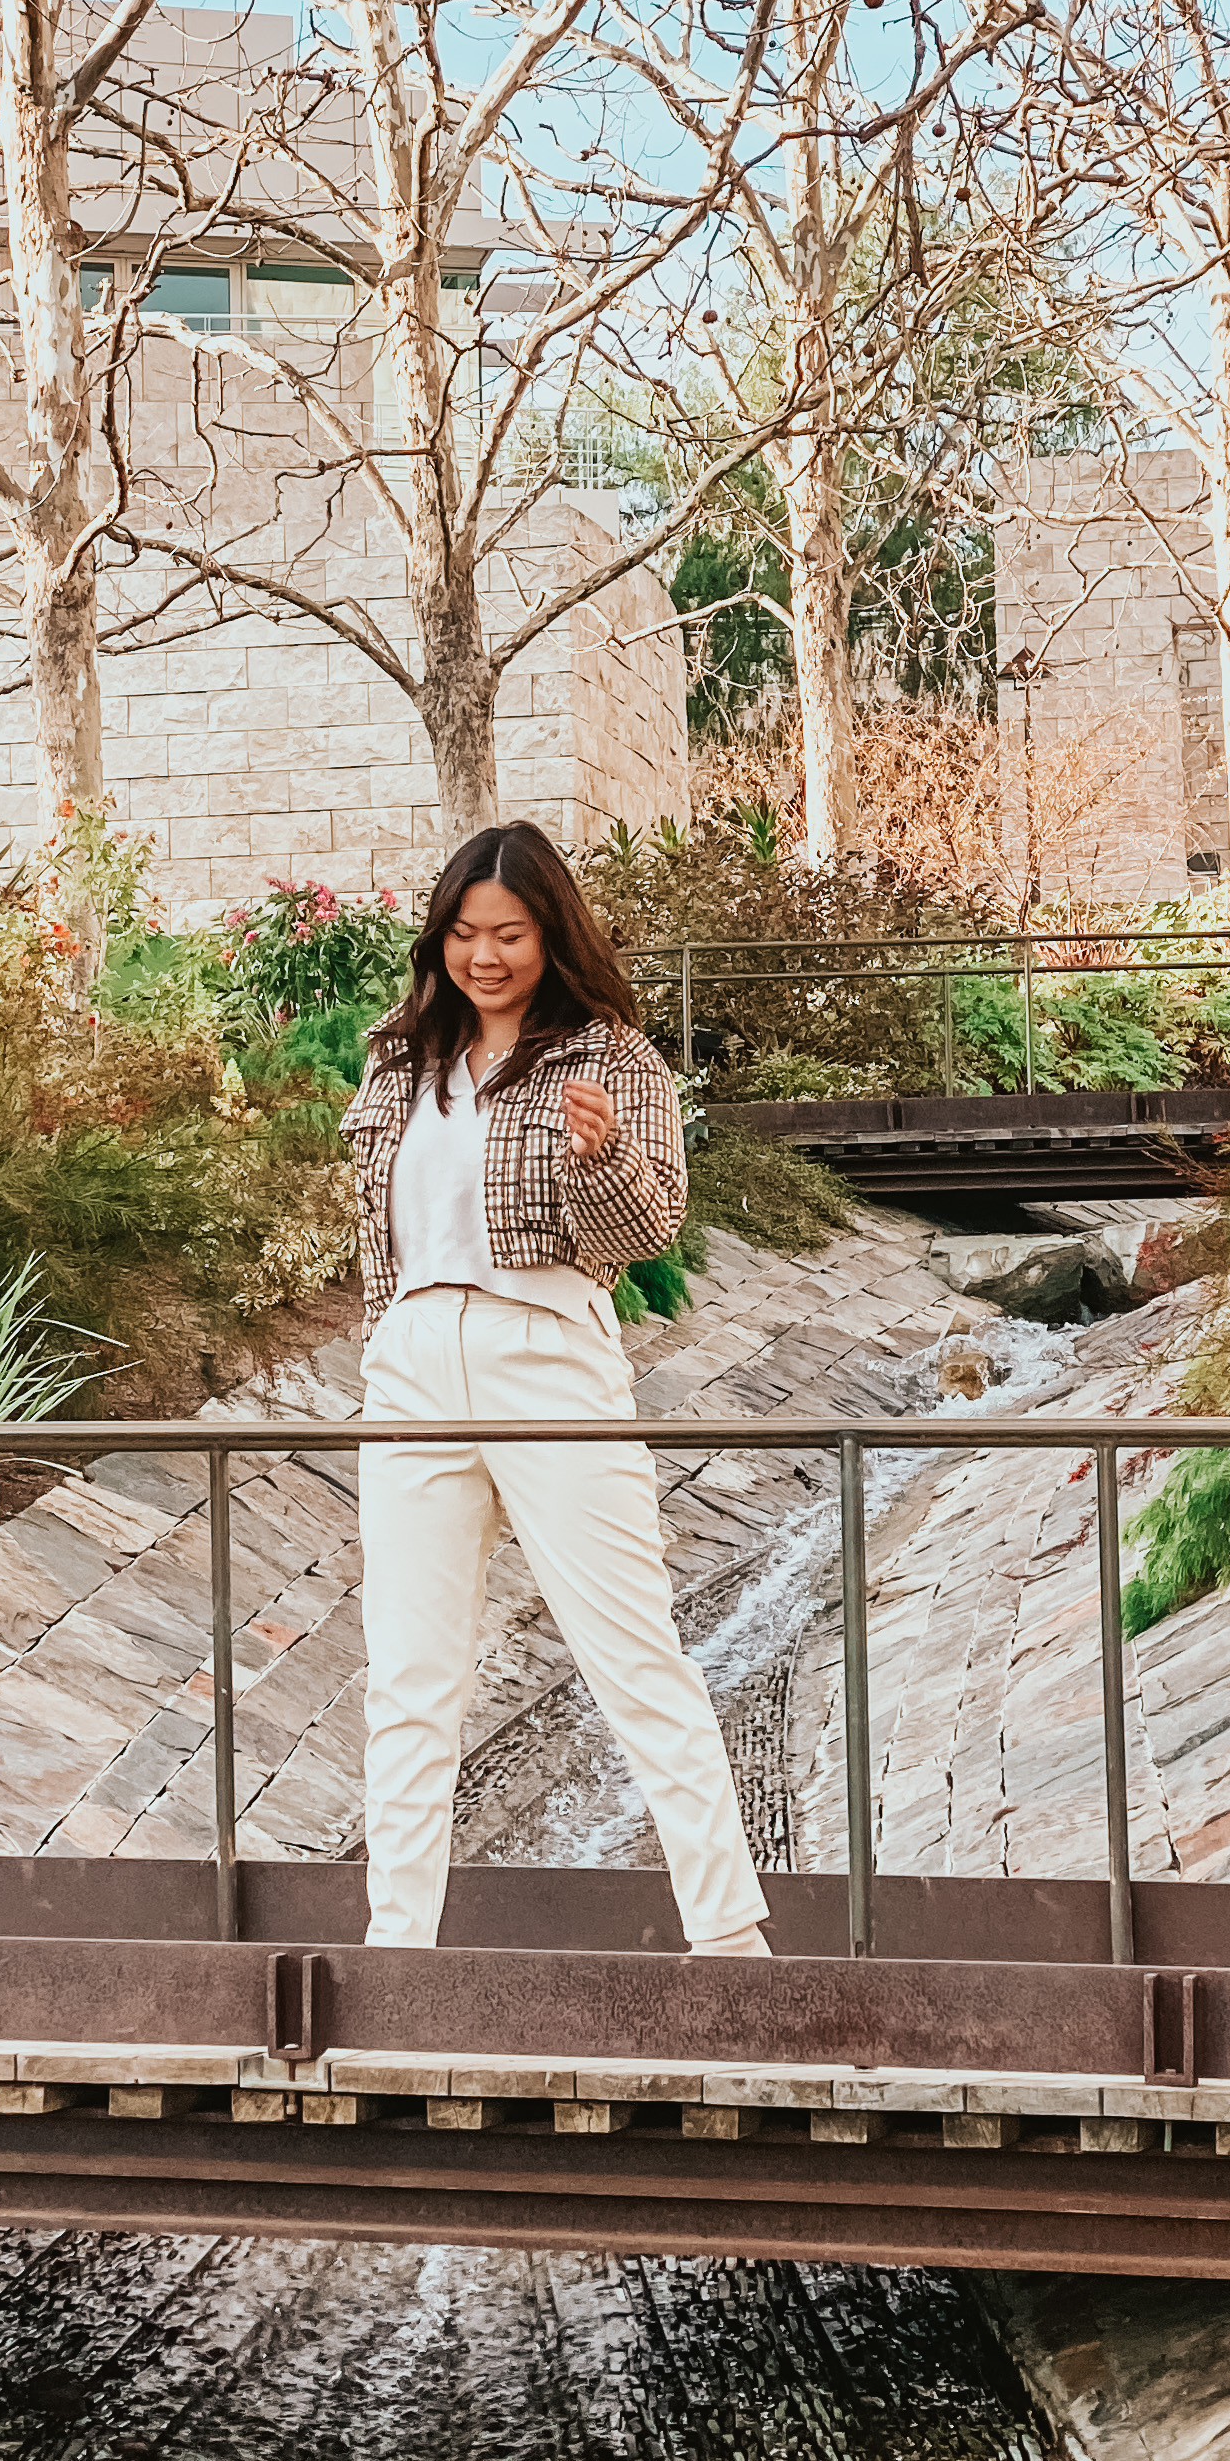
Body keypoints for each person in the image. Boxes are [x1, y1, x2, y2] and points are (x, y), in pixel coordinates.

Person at [340, 820, 771, 1957]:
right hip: (412, 1361)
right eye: (463, 934)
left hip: (548, 1349)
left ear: (551, 935)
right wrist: (385, 1344)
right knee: (409, 1675)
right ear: (439, 940)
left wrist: (603, 1158)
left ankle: (730, 1942)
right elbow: (378, 1235)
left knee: (633, 1653)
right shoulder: (400, 1056)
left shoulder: (611, 1059)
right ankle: (397, 1955)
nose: (484, 957)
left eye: (511, 934)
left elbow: (645, 1233)